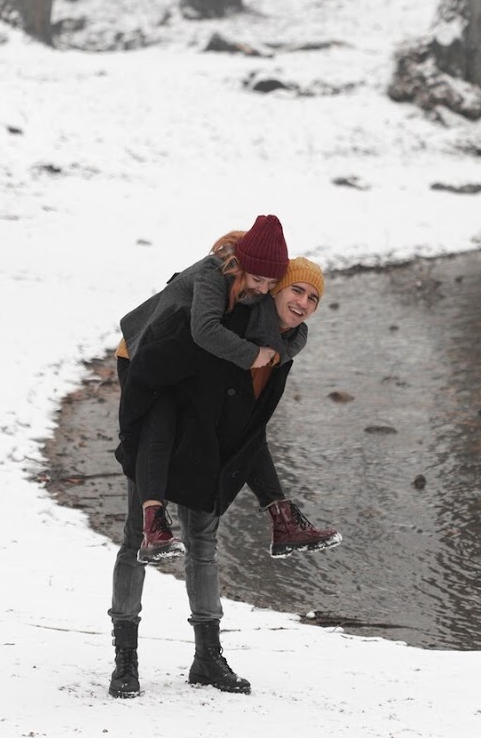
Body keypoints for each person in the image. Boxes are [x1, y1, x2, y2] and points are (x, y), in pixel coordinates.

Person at [106, 258, 334, 698]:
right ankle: (125, 660)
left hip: (208, 442)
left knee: (204, 542)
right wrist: (139, 439)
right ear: (274, 291)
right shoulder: (227, 328)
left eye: (313, 297)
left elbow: (251, 424)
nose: (304, 303)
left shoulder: (284, 346)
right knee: (138, 535)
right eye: (297, 291)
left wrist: (274, 502)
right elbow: (158, 373)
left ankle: (207, 658)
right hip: (160, 420)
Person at [114, 217, 334, 563]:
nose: (262, 289)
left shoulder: (257, 300)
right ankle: (153, 524)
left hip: (186, 359)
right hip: (145, 350)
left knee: (246, 428)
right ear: (243, 266)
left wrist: (278, 352)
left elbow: (268, 340)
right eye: (259, 280)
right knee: (160, 422)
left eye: (270, 282)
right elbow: (204, 330)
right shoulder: (214, 273)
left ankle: (282, 519)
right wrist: (253, 356)